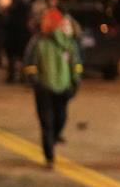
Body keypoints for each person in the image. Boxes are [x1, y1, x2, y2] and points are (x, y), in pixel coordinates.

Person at [24, 9, 83, 169]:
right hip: (44, 90)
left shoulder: (68, 42)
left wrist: (75, 81)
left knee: (61, 119)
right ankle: (49, 156)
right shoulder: (37, 42)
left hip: (63, 89)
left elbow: (76, 63)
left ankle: (54, 138)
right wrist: (35, 81)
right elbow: (30, 63)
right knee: (46, 123)